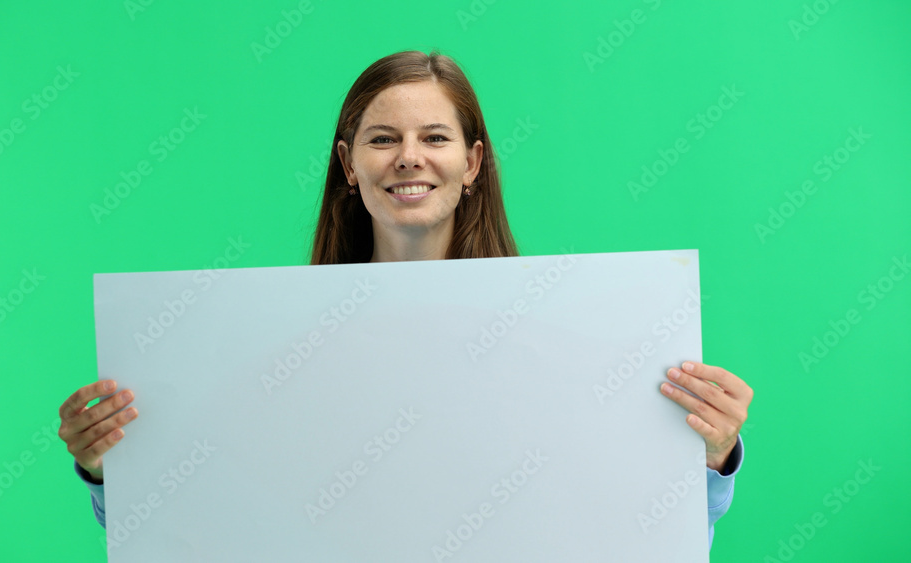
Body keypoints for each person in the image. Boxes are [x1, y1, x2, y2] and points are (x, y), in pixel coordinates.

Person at [59, 50, 753, 550]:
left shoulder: (556, 334)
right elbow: (200, 521)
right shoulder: (277, 340)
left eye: (435, 138)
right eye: (383, 139)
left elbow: (634, 522)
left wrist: (713, 453)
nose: (409, 157)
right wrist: (106, 466)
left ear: (472, 162)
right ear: (348, 164)